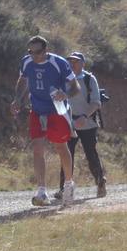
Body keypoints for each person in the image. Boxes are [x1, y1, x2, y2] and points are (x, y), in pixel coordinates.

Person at [11, 35, 80, 207]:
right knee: (37, 147)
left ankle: (69, 185)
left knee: (60, 146)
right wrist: (18, 99)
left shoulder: (59, 63)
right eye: (31, 52)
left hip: (57, 109)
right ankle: (41, 191)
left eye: (38, 52)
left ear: (46, 50)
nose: (35, 55)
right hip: (37, 109)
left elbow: (75, 87)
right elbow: (23, 80)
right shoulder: (26, 62)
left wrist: (65, 94)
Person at [58, 52, 107, 198]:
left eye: (76, 61)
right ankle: (63, 189)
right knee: (67, 154)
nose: (72, 64)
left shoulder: (89, 79)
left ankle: (100, 182)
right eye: (70, 61)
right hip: (69, 122)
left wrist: (84, 116)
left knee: (91, 154)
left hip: (87, 123)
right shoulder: (64, 79)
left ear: (82, 63)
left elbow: (96, 102)